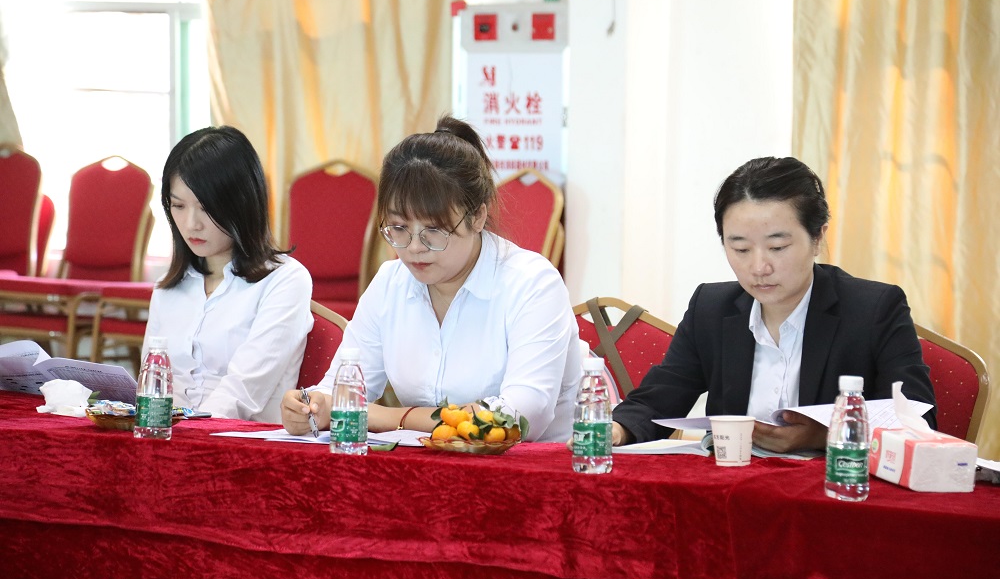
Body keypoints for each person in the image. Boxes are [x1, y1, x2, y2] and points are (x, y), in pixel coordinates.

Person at [281, 116, 579, 441]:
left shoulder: (532, 283)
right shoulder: (391, 283)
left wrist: (391, 417)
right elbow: (341, 391)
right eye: (398, 228)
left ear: (478, 217)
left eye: (433, 231)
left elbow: (519, 418)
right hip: (428, 463)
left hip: (540, 465)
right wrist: (314, 406)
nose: (413, 248)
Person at [611, 156, 936, 453]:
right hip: (732, 482)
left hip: (831, 488)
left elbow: (919, 423)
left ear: (818, 238)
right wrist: (617, 430)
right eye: (740, 249)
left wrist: (824, 436)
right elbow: (661, 396)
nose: (759, 267)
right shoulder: (710, 308)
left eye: (778, 247)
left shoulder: (874, 309)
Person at [143, 125, 313, 423]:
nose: (191, 224)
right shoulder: (167, 287)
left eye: (206, 208)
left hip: (241, 439)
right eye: (178, 206)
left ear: (242, 204)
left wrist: (186, 433)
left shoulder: (285, 280)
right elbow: (151, 382)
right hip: (169, 436)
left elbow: (243, 392)